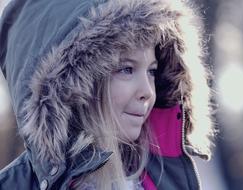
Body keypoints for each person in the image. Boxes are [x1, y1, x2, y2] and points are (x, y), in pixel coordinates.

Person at [0, 0, 214, 189]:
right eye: (127, 69)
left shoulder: (164, 179)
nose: (148, 92)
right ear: (71, 88)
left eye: (152, 71)